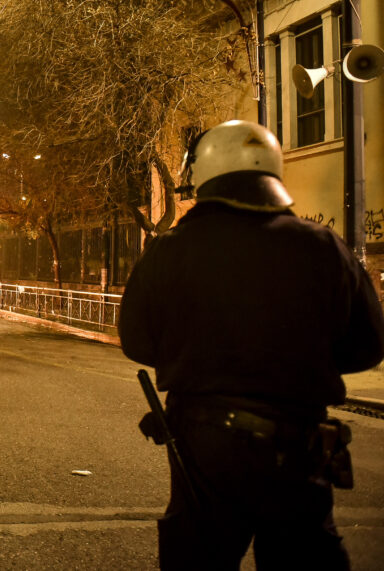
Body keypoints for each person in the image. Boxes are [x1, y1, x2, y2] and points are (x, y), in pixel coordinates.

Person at [119, 120, 384, 570]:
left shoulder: (169, 250)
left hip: (203, 446)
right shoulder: (322, 246)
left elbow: (137, 342)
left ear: (202, 175)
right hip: (298, 446)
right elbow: (368, 346)